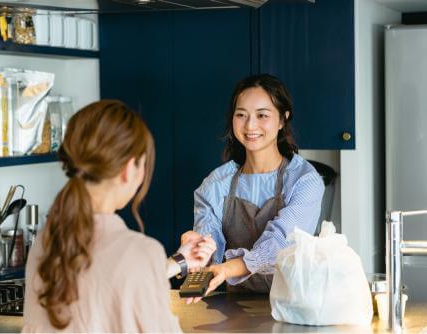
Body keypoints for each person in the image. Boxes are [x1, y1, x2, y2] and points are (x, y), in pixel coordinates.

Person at [23, 100, 212, 332]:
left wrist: (180, 261)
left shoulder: (46, 241)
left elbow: (101, 280)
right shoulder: (140, 251)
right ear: (128, 169)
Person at [181, 74, 325, 300]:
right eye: (241, 115)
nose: (250, 125)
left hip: (296, 306)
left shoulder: (304, 180)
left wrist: (229, 269)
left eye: (262, 115)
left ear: (282, 119)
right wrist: (199, 251)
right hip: (236, 307)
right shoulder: (216, 184)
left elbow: (281, 242)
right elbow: (212, 248)